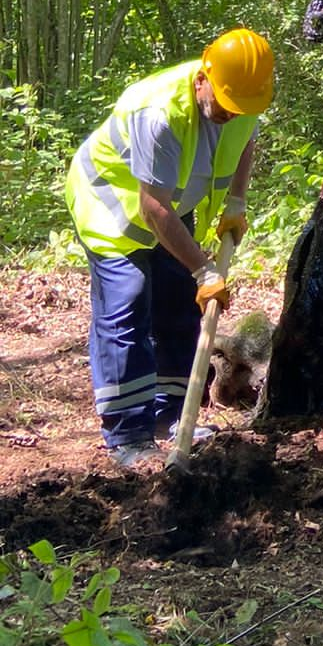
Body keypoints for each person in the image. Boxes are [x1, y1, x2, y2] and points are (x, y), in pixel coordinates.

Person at [65, 29, 274, 468]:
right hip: (111, 206)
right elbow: (153, 208)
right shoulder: (160, 113)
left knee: (181, 303)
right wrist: (204, 271)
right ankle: (129, 435)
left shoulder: (242, 97)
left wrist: (236, 203)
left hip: (171, 206)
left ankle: (172, 417)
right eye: (223, 104)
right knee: (127, 308)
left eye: (239, 108)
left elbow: (244, 141)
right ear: (204, 77)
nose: (228, 114)